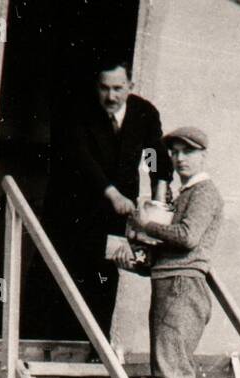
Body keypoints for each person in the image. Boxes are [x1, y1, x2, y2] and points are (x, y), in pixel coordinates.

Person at [34, 60, 173, 340]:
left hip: (113, 219)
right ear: (96, 88)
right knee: (65, 278)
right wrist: (113, 194)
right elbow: (82, 159)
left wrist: (158, 201)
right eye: (105, 88)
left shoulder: (144, 113)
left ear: (130, 87)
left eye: (118, 89)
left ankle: (94, 358)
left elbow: (156, 156)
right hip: (74, 211)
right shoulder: (79, 111)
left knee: (103, 279)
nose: (111, 96)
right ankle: (55, 353)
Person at [128, 126, 222, 378]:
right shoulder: (186, 193)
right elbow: (172, 249)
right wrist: (136, 259)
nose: (180, 158)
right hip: (171, 282)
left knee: (173, 373)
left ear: (203, 155)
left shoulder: (203, 192)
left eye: (188, 151)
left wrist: (148, 225)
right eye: (175, 152)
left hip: (182, 285)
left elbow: (187, 236)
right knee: (167, 371)